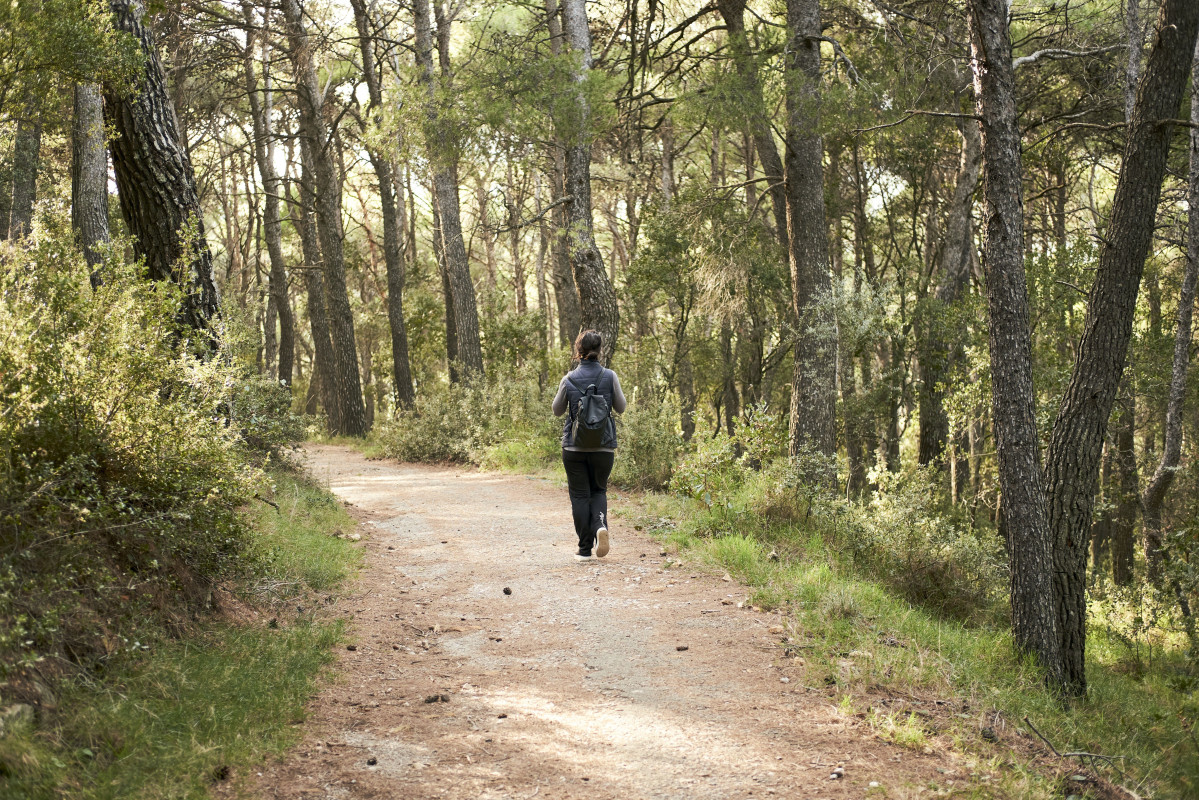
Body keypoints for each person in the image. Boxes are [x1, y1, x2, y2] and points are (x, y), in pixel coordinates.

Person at [552, 329, 627, 561]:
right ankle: (600, 526)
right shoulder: (610, 376)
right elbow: (621, 407)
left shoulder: (569, 378)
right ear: (599, 350)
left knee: (580, 496)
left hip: (574, 447)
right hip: (603, 447)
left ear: (579, 350)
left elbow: (557, 410)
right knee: (599, 490)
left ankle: (584, 549)